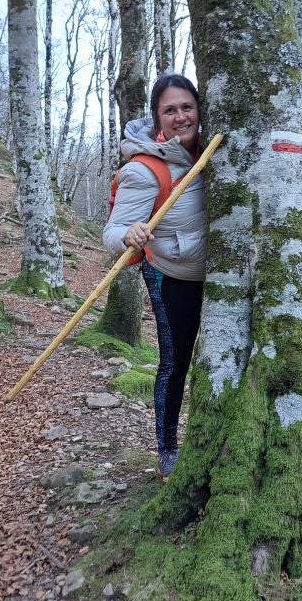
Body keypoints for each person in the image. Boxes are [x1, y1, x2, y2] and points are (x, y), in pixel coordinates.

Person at [102, 74, 206, 480]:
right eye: (170, 110)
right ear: (157, 118)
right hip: (171, 274)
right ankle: (166, 449)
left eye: (187, 107)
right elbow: (113, 233)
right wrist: (128, 233)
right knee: (175, 361)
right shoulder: (145, 170)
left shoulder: (219, 151)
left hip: (219, 278)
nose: (181, 116)